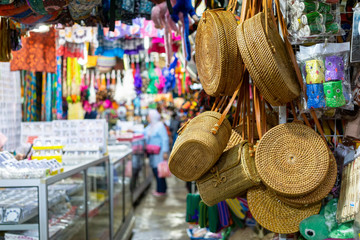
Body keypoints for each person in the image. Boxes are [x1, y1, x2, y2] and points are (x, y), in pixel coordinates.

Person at [145, 109, 169, 197]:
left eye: (148, 116)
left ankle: (161, 190)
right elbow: (143, 132)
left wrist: (165, 152)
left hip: (159, 153)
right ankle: (162, 188)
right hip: (152, 152)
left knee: (159, 171)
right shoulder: (151, 126)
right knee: (157, 170)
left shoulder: (159, 126)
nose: (147, 118)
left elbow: (164, 139)